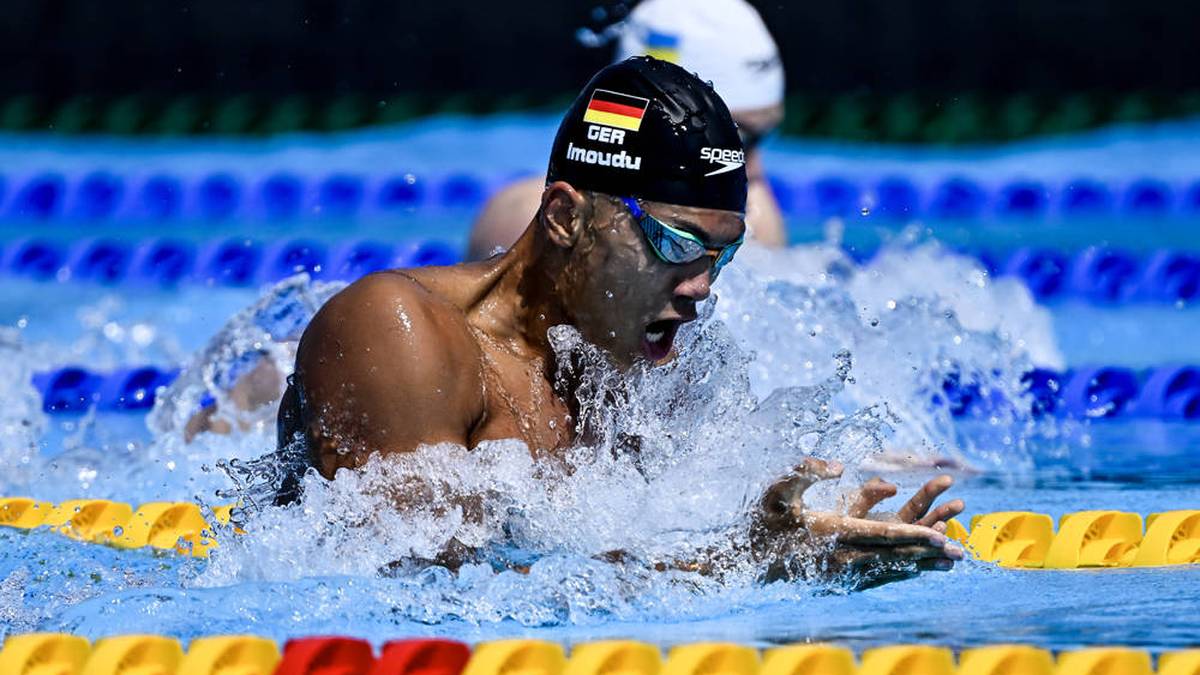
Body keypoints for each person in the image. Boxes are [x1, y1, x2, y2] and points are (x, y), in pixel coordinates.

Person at [278, 57, 964, 586]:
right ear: (564, 218)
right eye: (673, 243)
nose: (700, 288)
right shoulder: (398, 332)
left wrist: (807, 548)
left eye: (722, 256)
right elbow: (420, 591)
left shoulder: (629, 369)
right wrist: (737, 567)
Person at [466, 0, 789, 260]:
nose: (754, 171)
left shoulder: (756, 219)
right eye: (733, 141)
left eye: (764, 137)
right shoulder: (530, 216)